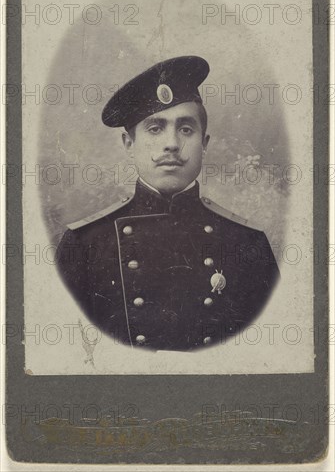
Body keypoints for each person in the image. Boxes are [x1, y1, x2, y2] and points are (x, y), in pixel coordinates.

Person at [56, 56, 280, 351]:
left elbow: (269, 355)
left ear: (204, 144)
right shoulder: (84, 244)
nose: (171, 143)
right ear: (129, 145)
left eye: (186, 129)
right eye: (155, 128)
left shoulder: (248, 244)